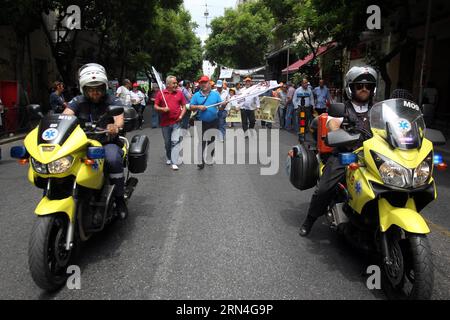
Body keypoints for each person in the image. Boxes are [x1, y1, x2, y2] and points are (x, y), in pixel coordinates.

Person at [299, 66, 378, 237]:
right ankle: (310, 220)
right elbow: (332, 123)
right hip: (347, 155)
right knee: (324, 189)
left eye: (368, 86)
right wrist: (337, 132)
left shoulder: (379, 110)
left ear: (373, 89)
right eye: (359, 86)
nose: (364, 89)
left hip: (374, 155)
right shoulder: (343, 108)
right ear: (351, 88)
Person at [63, 63, 128, 219]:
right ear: (83, 89)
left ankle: (119, 199)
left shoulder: (112, 100)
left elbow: (120, 119)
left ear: (104, 87)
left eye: (98, 88)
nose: (95, 92)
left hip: (106, 142)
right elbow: (65, 116)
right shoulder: (77, 101)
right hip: (81, 144)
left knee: (113, 159)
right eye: (91, 89)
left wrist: (115, 126)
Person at [154, 76, 187, 171]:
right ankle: (169, 156)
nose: (176, 85)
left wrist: (181, 116)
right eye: (174, 83)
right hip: (165, 123)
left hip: (177, 122)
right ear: (168, 84)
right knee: (167, 143)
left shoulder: (179, 93)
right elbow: (155, 106)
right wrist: (162, 109)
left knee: (175, 142)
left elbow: (184, 106)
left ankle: (174, 161)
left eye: (176, 83)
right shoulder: (161, 93)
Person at [190, 75, 222, 169]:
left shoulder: (215, 94)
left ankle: (210, 157)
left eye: (205, 82)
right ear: (200, 84)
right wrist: (198, 107)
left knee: (211, 141)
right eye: (201, 83)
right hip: (200, 121)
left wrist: (224, 105)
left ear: (209, 83)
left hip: (213, 121)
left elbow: (220, 107)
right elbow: (191, 106)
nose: (203, 84)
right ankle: (201, 161)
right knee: (202, 141)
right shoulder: (196, 95)